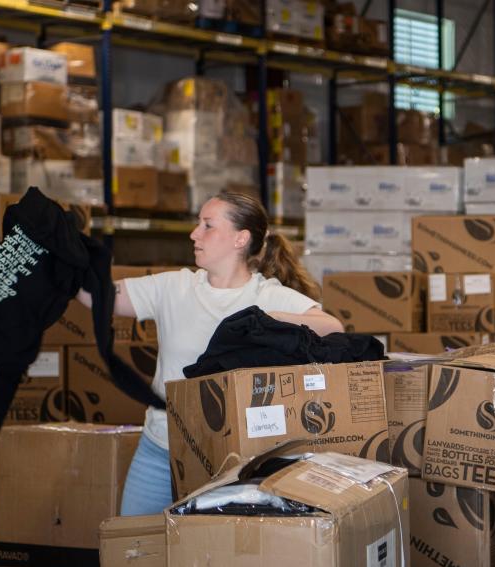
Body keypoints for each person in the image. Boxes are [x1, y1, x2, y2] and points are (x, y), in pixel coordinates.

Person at [78, 191, 343, 516]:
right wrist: (61, 261)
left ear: (240, 238)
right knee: (134, 549)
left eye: (207, 225)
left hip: (232, 461)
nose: (194, 234)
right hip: (160, 449)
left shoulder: (267, 294)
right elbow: (100, 297)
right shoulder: (173, 287)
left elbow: (332, 328)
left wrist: (261, 319)